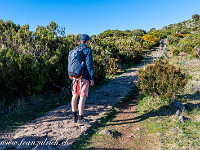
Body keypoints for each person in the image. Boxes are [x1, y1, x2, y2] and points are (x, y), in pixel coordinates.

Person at [71, 34, 94, 126]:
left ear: (81, 41)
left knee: (74, 95)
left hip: (75, 76)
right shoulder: (87, 50)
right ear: (87, 41)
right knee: (82, 97)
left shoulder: (75, 50)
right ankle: (81, 118)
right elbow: (89, 65)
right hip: (83, 77)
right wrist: (91, 78)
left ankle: (74, 116)